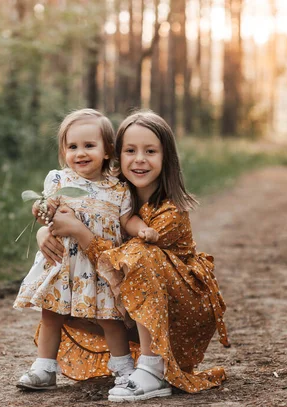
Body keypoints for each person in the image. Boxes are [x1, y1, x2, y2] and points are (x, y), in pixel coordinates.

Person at [38, 110, 230, 402]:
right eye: (130, 150)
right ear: (116, 155)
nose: (139, 159)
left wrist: (77, 230)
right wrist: (48, 232)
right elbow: (74, 217)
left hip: (179, 313)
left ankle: (153, 367)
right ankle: (123, 364)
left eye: (150, 151)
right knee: (69, 294)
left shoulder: (171, 212)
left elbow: (116, 257)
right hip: (136, 309)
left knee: (140, 254)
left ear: (166, 158)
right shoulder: (111, 192)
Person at [13, 108, 158, 391]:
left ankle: (124, 369)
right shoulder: (59, 181)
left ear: (107, 151)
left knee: (110, 319)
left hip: (100, 266)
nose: (80, 153)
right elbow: (47, 210)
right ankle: (44, 367)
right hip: (64, 263)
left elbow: (127, 219)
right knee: (51, 314)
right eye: (73, 147)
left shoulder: (118, 189)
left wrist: (142, 229)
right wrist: (41, 212)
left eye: (89, 146)